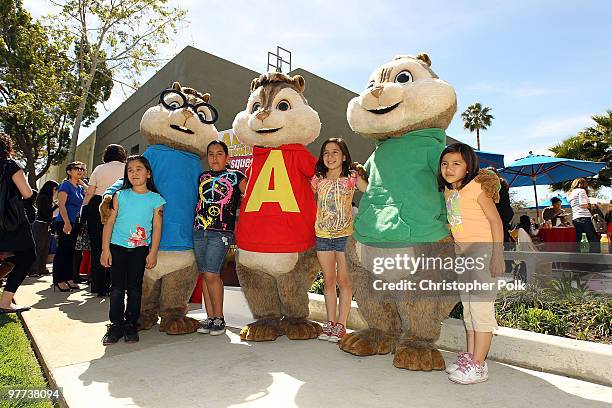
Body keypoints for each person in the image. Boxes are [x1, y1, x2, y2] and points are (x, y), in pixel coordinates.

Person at [439, 143, 504, 385]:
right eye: (445, 164)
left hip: (484, 257)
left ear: (468, 167)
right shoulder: (449, 192)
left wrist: (497, 256)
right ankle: (470, 356)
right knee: (469, 310)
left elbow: (496, 223)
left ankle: (479, 365)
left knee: (481, 311)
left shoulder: (477, 187)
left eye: (456, 163)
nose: (449, 168)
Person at [100, 155, 165, 345]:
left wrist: (153, 252)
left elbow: (158, 227)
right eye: (130, 170)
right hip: (117, 248)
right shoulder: (119, 196)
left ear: (148, 173)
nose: (134, 173)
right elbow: (109, 223)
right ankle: (116, 325)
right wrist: (105, 249)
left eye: (139, 169)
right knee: (117, 289)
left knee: (135, 290)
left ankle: (131, 324)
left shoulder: (156, 200)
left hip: (140, 250)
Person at [311, 138, 367, 343]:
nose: (330, 156)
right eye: (326, 152)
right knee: (328, 281)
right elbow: (305, 199)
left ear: (344, 157)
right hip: (323, 236)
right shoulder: (317, 179)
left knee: (344, 281)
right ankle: (330, 324)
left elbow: (370, 192)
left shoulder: (351, 178)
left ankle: (341, 326)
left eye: (335, 152)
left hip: (345, 236)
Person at [194, 141, 247, 336]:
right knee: (205, 275)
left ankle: (219, 318)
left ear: (227, 157)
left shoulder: (236, 176)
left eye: (219, 154)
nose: (214, 158)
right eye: (210, 154)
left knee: (211, 274)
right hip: (199, 230)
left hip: (221, 232)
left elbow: (251, 196)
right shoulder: (203, 177)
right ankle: (210, 318)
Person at [83, 144, 127, 296]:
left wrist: (83, 210)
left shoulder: (98, 169)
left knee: (97, 248)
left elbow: (89, 193)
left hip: (97, 204)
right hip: (119, 204)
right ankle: (114, 285)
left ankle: (98, 286)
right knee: (117, 246)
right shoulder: (127, 168)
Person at [0, 132, 35, 314]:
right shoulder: (11, 165)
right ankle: (5, 302)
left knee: (12, 256)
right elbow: (27, 193)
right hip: (12, 222)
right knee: (27, 257)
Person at [52, 162, 87, 291]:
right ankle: (58, 280)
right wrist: (66, 222)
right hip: (65, 222)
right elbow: (61, 205)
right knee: (63, 251)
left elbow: (90, 194)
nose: (80, 171)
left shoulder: (79, 187)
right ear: (69, 171)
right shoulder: (65, 185)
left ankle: (69, 278)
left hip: (76, 223)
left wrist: (83, 183)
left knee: (71, 252)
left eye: (83, 169)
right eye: (77, 169)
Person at [30, 180, 59, 276]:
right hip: (40, 224)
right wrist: (56, 206)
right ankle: (34, 269)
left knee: (45, 248)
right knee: (39, 247)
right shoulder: (43, 198)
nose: (55, 191)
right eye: (55, 189)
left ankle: (42, 268)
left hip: (46, 224)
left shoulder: (47, 198)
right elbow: (46, 212)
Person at [568, 178, 599, 252]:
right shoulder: (581, 191)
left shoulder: (570, 193)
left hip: (576, 218)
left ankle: (580, 259)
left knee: (579, 239)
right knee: (592, 238)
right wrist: (592, 206)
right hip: (584, 217)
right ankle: (597, 258)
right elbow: (583, 205)